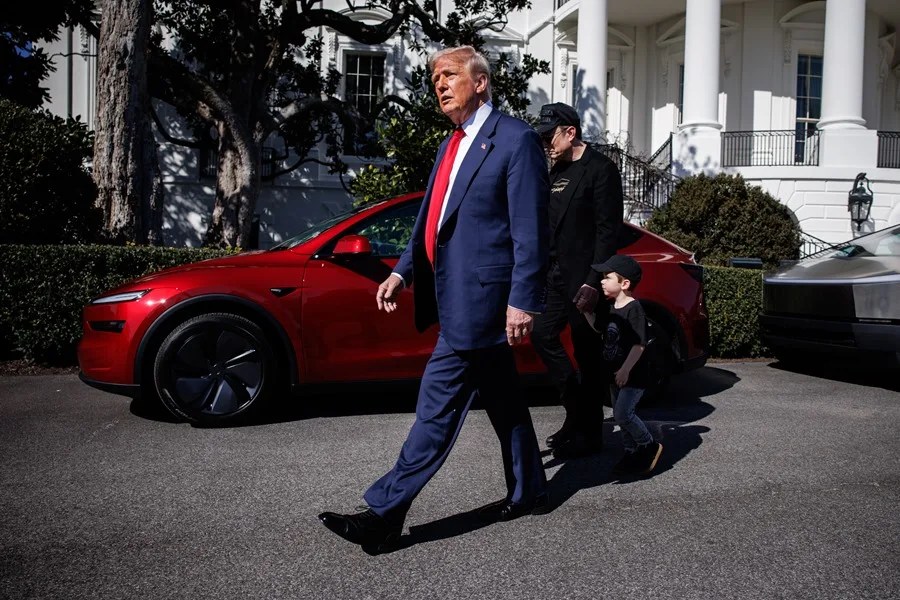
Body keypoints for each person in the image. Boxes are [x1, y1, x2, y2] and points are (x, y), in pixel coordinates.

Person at [318, 46, 550, 552]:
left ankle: (383, 514)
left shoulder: (515, 140)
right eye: (434, 78)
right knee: (506, 402)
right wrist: (402, 272)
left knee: (435, 409)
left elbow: (531, 231)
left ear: (481, 82)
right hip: (453, 295)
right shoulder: (452, 144)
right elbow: (430, 218)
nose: (439, 85)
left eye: (449, 75)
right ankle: (531, 489)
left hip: (483, 303)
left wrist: (522, 300)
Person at [530, 102, 623, 459]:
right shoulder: (554, 172)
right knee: (542, 335)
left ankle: (591, 434)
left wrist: (592, 280)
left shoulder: (600, 169)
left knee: (587, 355)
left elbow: (607, 232)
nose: (545, 144)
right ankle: (576, 413)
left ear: (570, 132)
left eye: (549, 136)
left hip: (584, 280)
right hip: (552, 276)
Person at [591, 254, 663, 477]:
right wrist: (585, 312)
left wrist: (625, 369)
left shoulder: (634, 309)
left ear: (624, 283)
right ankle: (631, 452)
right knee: (619, 416)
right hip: (614, 374)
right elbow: (599, 329)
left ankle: (648, 444)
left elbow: (639, 345)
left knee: (623, 414)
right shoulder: (611, 307)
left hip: (633, 375)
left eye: (607, 277)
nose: (602, 281)